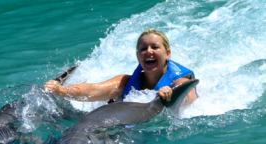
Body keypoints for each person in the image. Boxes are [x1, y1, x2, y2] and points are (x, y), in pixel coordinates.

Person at [44, 29, 197, 105]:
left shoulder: (179, 80)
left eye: (155, 47)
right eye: (143, 49)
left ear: (168, 54)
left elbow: (187, 96)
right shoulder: (126, 82)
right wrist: (61, 91)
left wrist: (173, 95)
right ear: (138, 56)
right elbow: (93, 90)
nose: (148, 51)